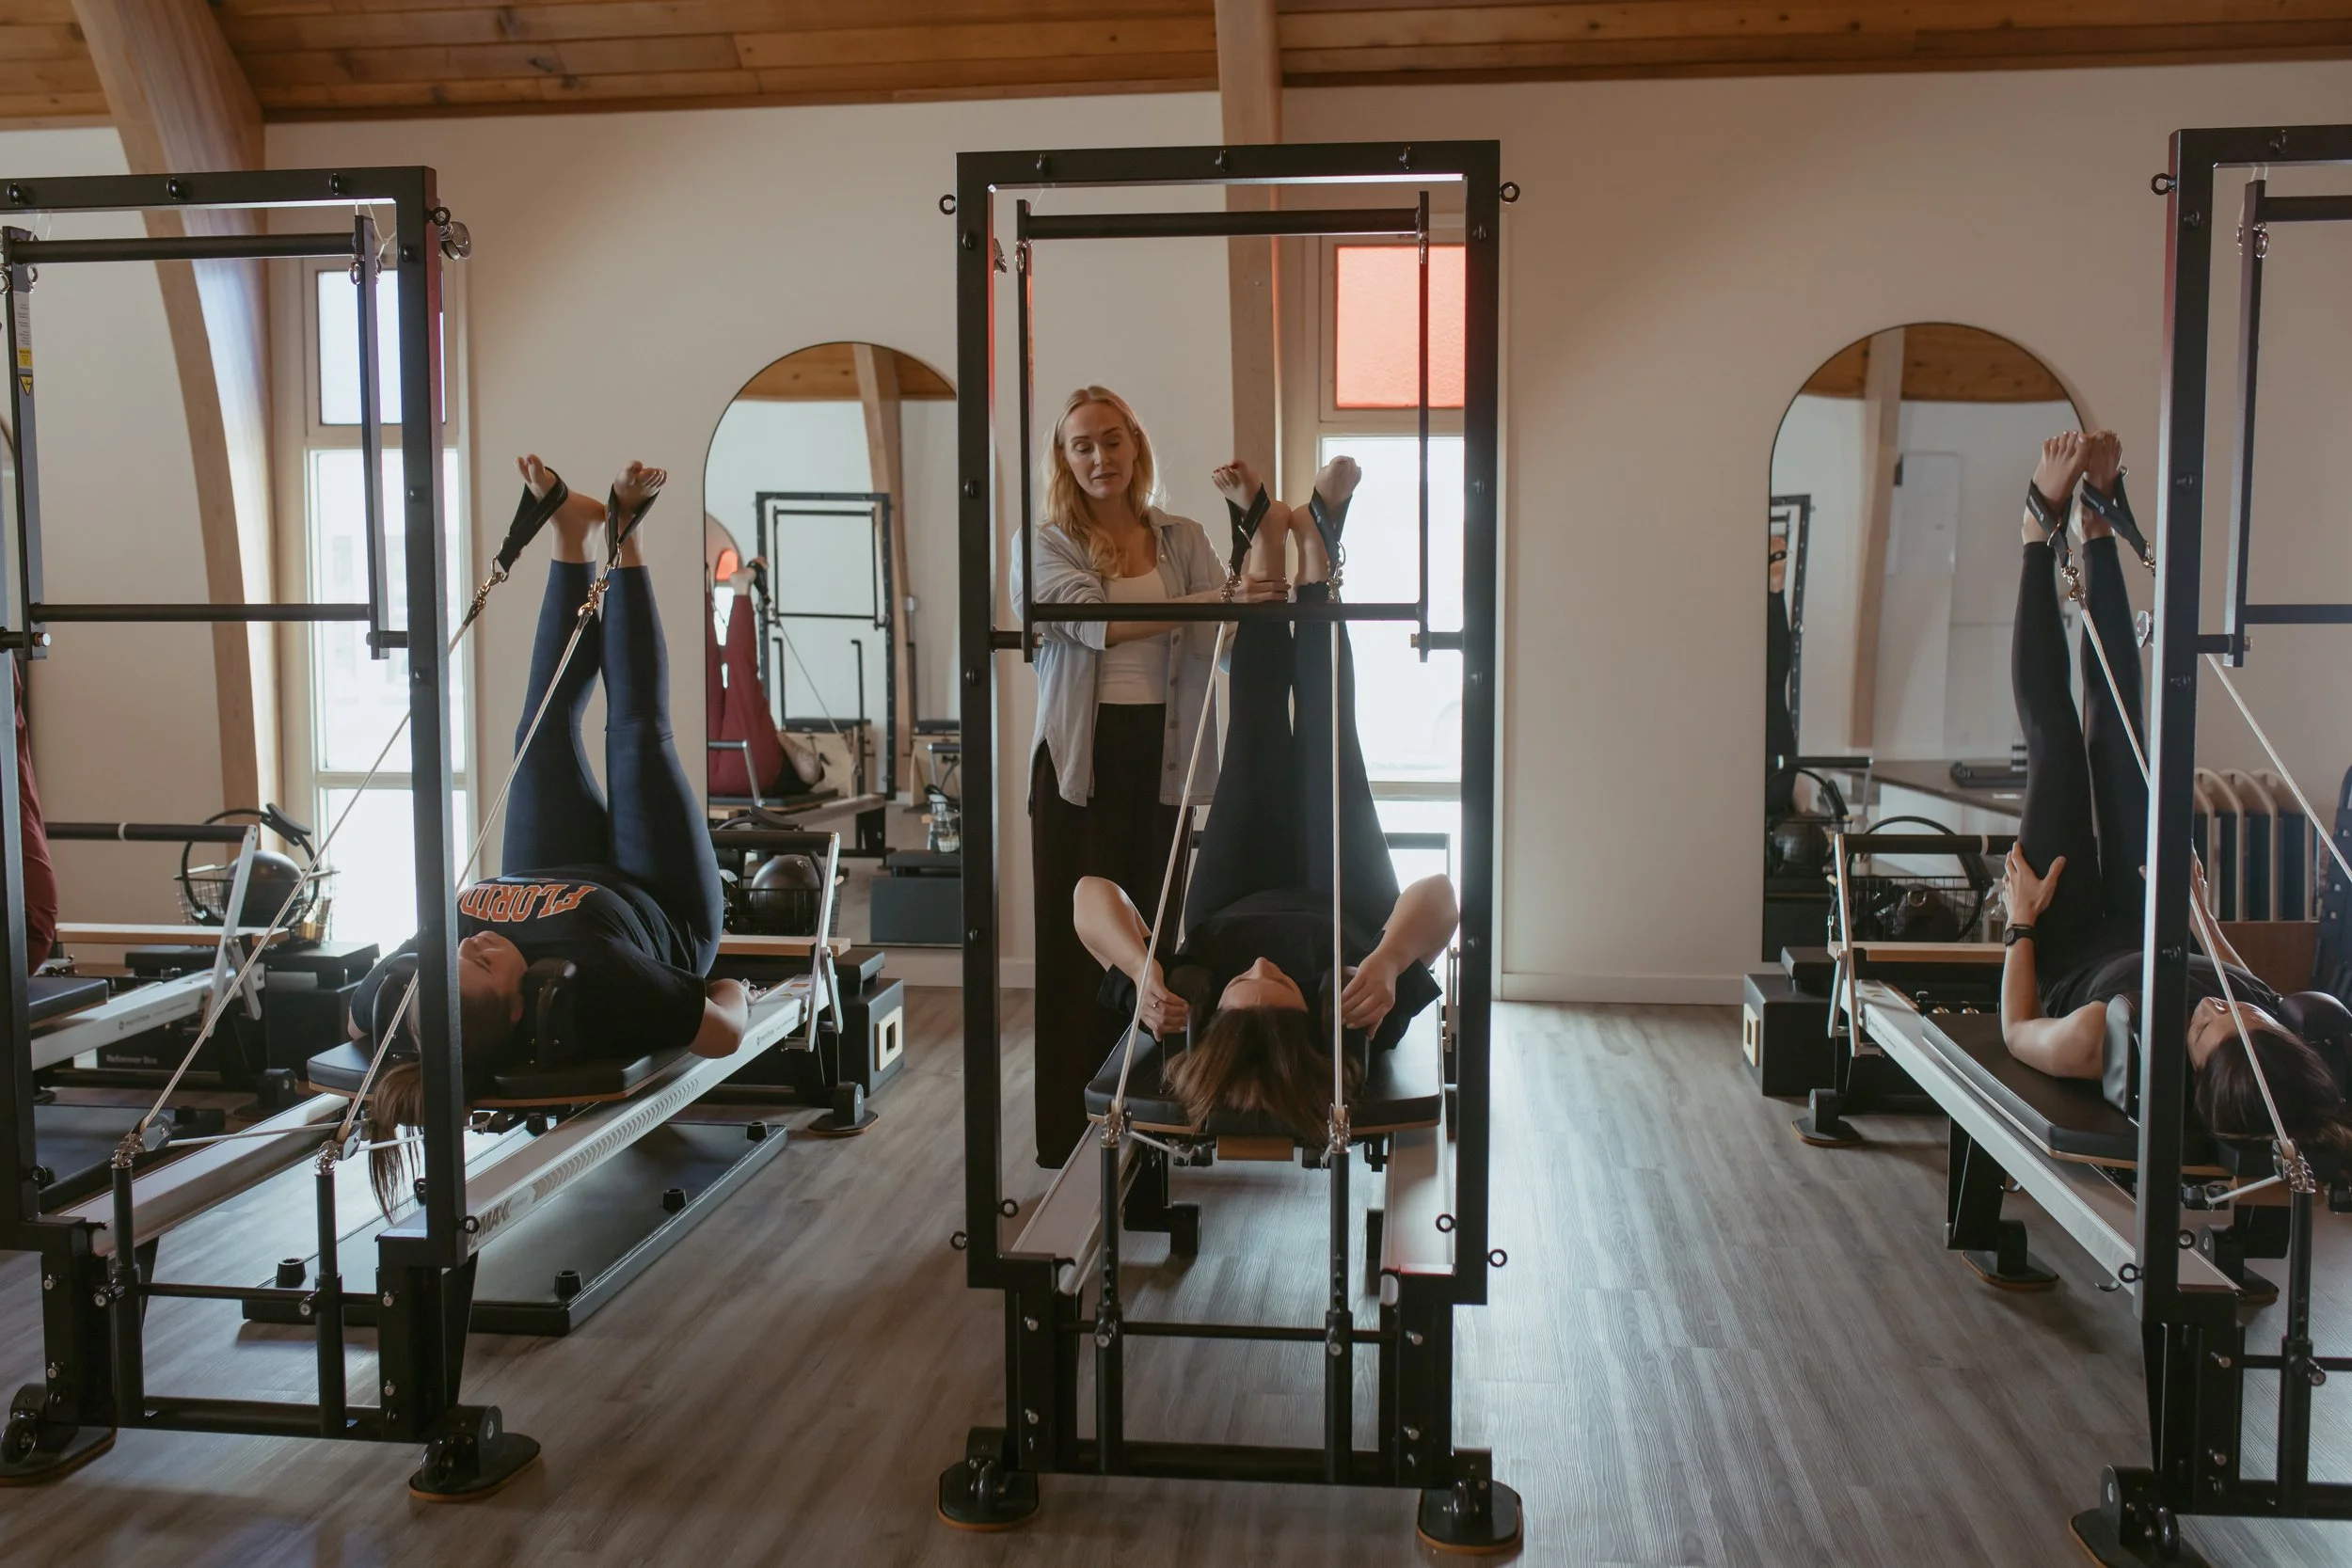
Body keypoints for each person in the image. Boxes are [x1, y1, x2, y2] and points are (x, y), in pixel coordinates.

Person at [349, 456, 752, 1210]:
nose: (467, 943)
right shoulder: (601, 983)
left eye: (454, 954)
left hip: (545, 867)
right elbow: (722, 1026)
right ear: (513, 1007)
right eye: (482, 967)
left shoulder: (399, 996)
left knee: (536, 732)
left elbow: (354, 1014)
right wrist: (738, 988)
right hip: (660, 900)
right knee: (634, 732)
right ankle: (626, 534)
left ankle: (572, 532)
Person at [1073, 461, 1456, 1139]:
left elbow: (1088, 894)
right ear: (1304, 1013)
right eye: (1272, 979)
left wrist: (1139, 971)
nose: (1254, 963)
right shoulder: (1355, 1017)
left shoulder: (1184, 1011)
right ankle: (1317, 544)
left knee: (1253, 729)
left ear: (1217, 1012)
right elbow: (1442, 894)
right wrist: (1391, 959)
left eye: (1237, 983)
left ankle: (1260, 539)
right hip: (1346, 895)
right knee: (1327, 730)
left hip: (1233, 889)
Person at [1996, 431, 2352, 1160]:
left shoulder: (2101, 1039)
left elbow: (2015, 1030)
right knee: (2124, 735)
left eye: (2206, 1022)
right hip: (2152, 914)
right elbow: (2231, 974)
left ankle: (2037, 534)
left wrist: (2021, 923)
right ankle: (2096, 530)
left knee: (2058, 746)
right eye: (2246, 1017)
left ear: (2191, 1058)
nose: (2219, 1006)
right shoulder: (2259, 1028)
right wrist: (2196, 908)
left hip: (2066, 946)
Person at [1013, 386, 1282, 1165]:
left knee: (1157, 949)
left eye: (1112, 440)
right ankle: (1073, 1141)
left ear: (1136, 445)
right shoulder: (1047, 542)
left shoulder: (1184, 537)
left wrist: (1245, 579)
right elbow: (1092, 623)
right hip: (1079, 764)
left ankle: (1155, 1130)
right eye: (1082, 446)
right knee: (1078, 955)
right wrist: (1210, 600)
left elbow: (1221, 642)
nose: (1100, 458)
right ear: (1064, 459)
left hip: (1162, 758)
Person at [706, 554, 824, 800]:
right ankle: (720, 590)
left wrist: (779, 735)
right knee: (713, 671)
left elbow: (812, 770)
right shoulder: (793, 778)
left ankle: (739, 588)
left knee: (725, 673)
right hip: (734, 773)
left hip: (733, 770)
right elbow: (811, 771)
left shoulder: (796, 775)